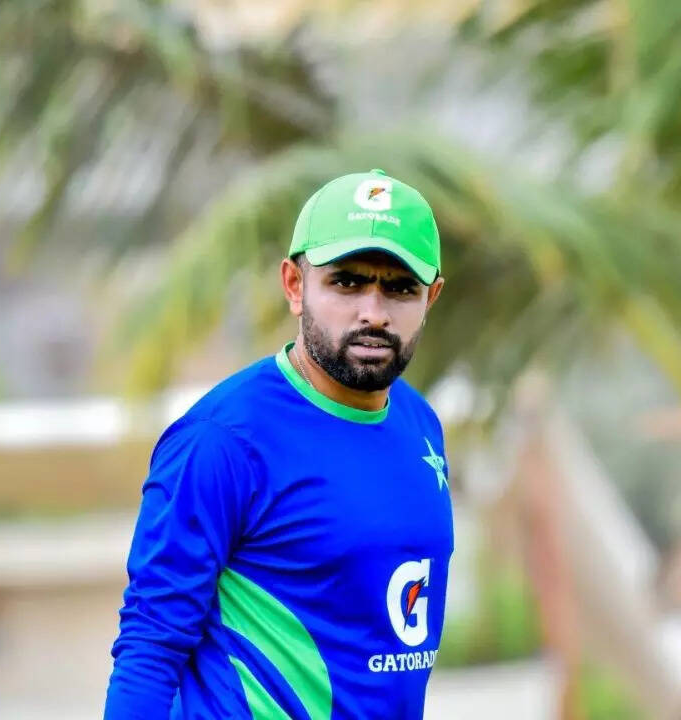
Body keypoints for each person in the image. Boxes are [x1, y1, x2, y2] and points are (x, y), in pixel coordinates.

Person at [104, 169, 453, 719]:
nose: (373, 312)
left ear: (430, 296)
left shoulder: (420, 423)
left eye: (400, 287)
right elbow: (150, 647)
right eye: (346, 283)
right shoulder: (223, 440)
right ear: (295, 285)